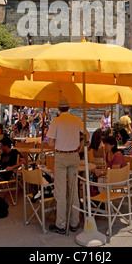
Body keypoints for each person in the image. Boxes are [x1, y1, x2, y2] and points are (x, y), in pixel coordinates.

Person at [47, 98, 85, 235]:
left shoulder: (55, 122)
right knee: (74, 190)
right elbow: (85, 136)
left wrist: (60, 140)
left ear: (58, 108)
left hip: (61, 156)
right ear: (69, 107)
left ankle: (61, 225)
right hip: (74, 156)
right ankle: (75, 223)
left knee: (61, 192)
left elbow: (50, 144)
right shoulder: (77, 120)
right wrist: (79, 146)